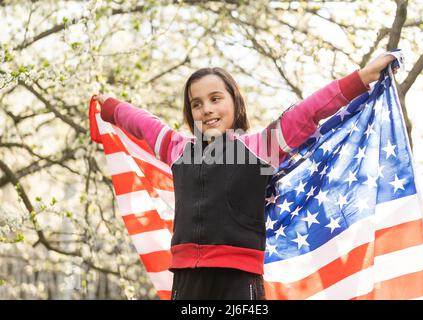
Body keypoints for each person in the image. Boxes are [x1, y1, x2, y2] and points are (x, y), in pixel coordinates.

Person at [95, 53, 398, 300]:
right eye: (196, 103)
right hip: (188, 279)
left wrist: (361, 79)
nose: (206, 109)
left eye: (215, 99)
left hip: (239, 280)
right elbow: (142, 123)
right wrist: (109, 106)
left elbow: (307, 113)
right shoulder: (177, 150)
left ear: (235, 102)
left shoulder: (259, 148)